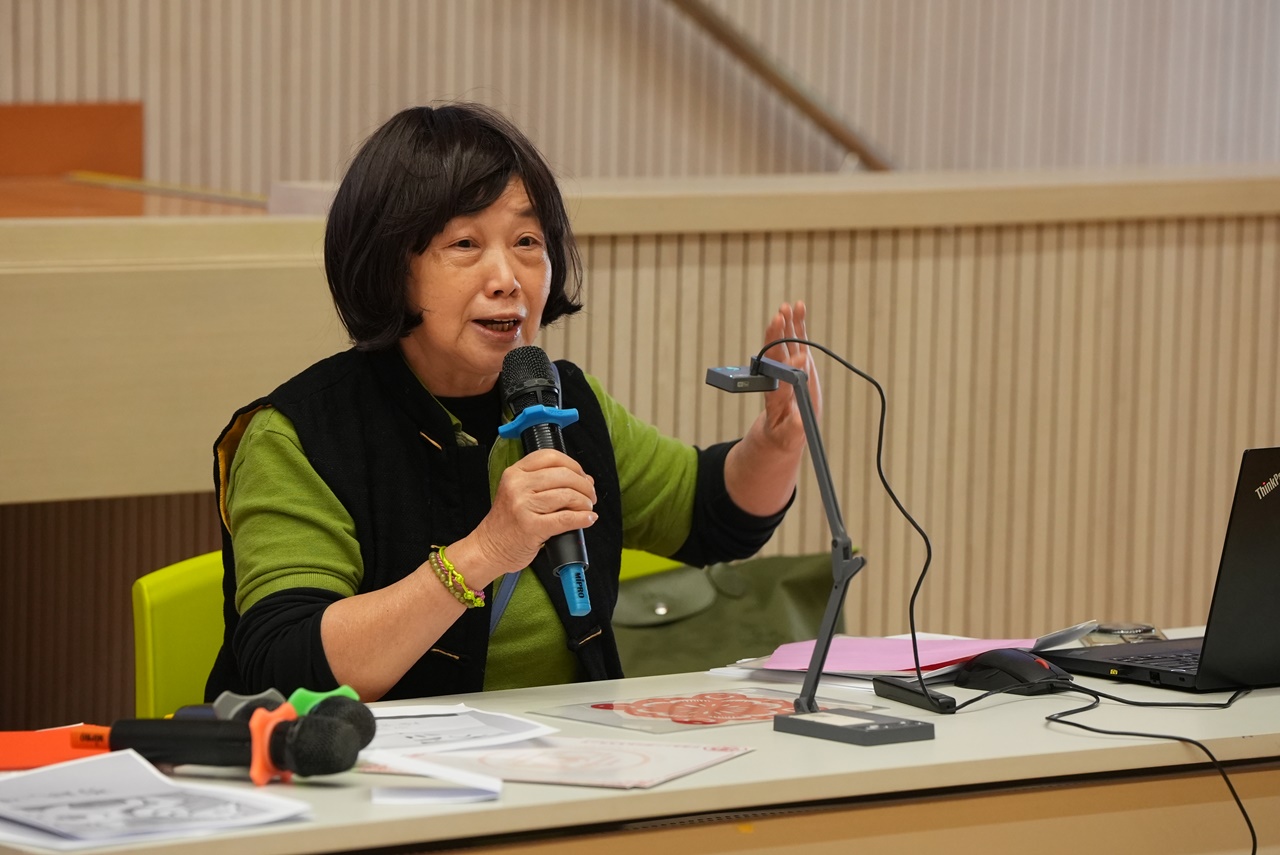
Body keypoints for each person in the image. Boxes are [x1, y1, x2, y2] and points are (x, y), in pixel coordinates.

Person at [205, 102, 821, 703]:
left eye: (527, 241)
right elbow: (288, 667)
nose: (507, 279)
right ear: (392, 266)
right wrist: (487, 551)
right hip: (372, 763)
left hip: (568, 755)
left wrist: (776, 442)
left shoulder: (563, 401)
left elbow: (713, 514)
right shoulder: (299, 435)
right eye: (465, 244)